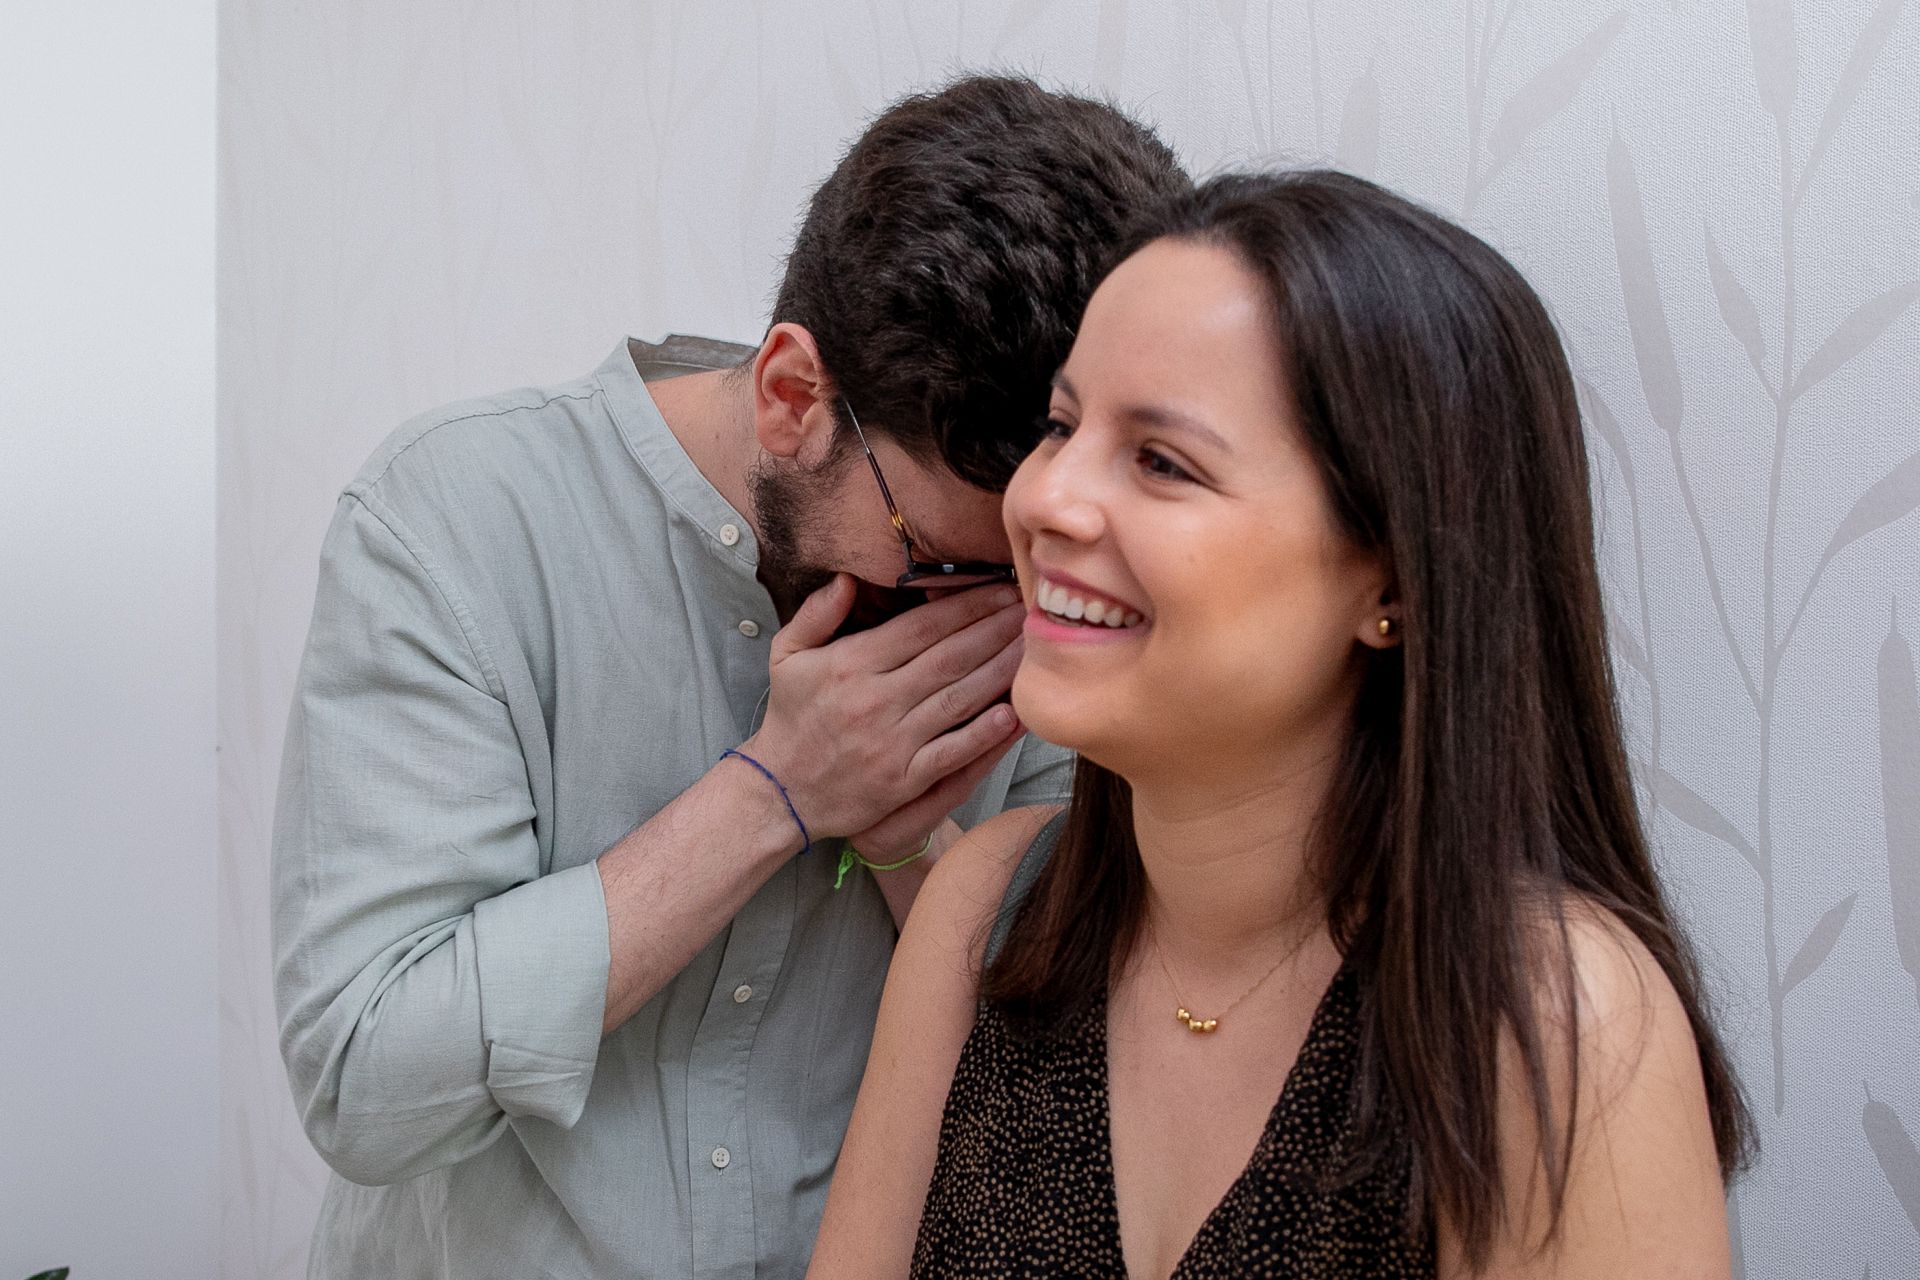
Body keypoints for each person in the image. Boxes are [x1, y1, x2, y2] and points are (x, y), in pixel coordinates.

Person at [270, 76, 1187, 1279]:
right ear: (792, 395)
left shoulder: (1050, 582)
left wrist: (910, 836)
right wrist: (775, 790)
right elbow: (363, 1079)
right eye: (952, 557)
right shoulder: (452, 521)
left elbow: (1071, 1071)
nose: (1009, 607)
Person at [809, 170, 1754, 1280]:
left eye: (1162, 460)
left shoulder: (1547, 1020)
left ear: (1389, 578)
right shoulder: (984, 912)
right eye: (1061, 426)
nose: (1045, 498)